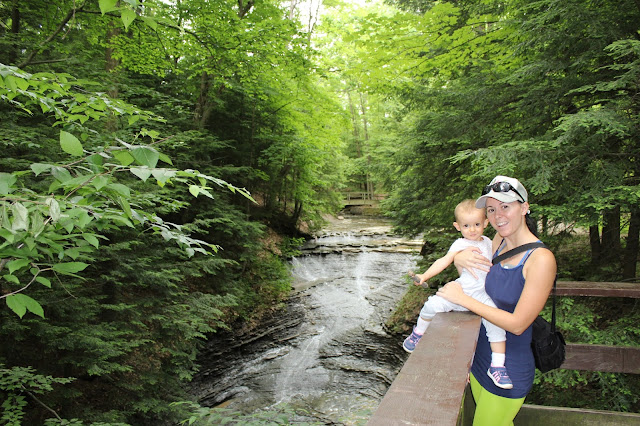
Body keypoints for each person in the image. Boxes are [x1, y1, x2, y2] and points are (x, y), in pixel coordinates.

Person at [437, 175, 557, 426]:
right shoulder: (498, 242)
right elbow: (476, 278)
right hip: (480, 357)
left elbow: (518, 324)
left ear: (524, 208)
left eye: (505, 206)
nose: (497, 215)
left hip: (508, 369)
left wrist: (462, 299)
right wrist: (458, 259)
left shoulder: (540, 259)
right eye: (491, 209)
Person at [403, 199, 513, 389]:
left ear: (486, 223)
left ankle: (497, 366)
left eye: (477, 224)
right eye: (466, 226)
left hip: (481, 294)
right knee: (431, 305)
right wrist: (424, 275)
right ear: (457, 227)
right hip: (460, 290)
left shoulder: (489, 242)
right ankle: (418, 333)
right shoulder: (459, 244)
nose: (472, 230)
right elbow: (443, 261)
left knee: (497, 325)